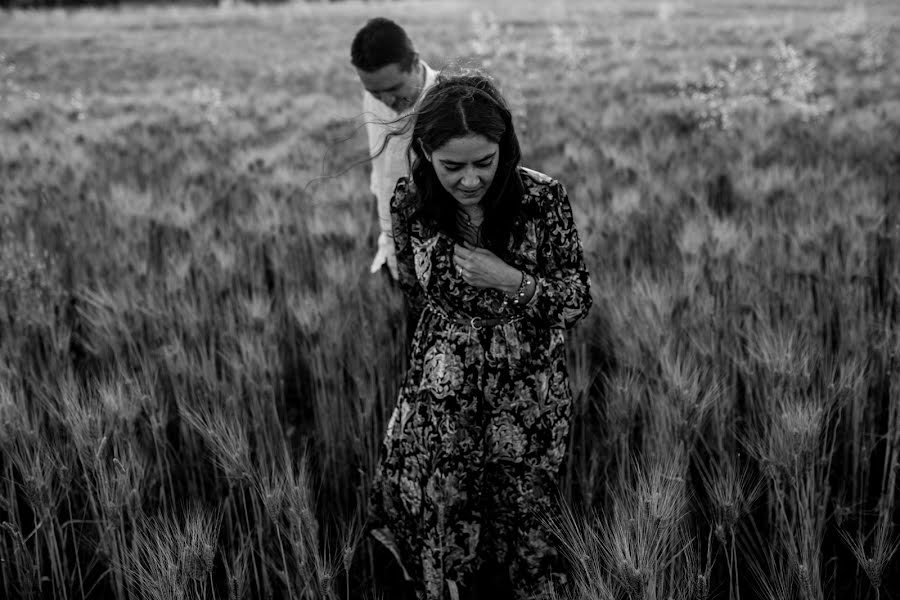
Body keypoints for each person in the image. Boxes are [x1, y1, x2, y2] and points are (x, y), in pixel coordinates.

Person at [369, 70, 592, 600]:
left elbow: (577, 298)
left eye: (483, 162)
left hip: (526, 391)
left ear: (504, 147)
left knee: (524, 511)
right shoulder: (411, 202)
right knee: (446, 506)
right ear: (425, 154)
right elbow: (416, 293)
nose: (469, 179)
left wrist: (511, 281)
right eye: (452, 166)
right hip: (443, 388)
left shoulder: (542, 199)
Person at [351, 17, 438, 282]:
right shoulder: (374, 96)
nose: (386, 101)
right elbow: (381, 171)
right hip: (390, 248)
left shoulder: (451, 108)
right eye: (375, 92)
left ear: (414, 62)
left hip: (440, 263)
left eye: (394, 88)